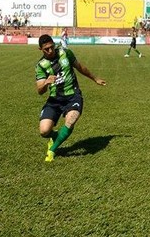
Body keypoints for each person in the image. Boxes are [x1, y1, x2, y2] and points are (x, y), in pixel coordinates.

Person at [35, 34, 106, 162]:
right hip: (54, 99)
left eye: (52, 47)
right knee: (44, 131)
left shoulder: (65, 52)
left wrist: (95, 78)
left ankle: (52, 150)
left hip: (73, 95)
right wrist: (46, 82)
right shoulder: (41, 65)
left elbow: (80, 67)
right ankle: (55, 136)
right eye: (46, 49)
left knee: (71, 120)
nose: (50, 51)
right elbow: (39, 90)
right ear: (40, 49)